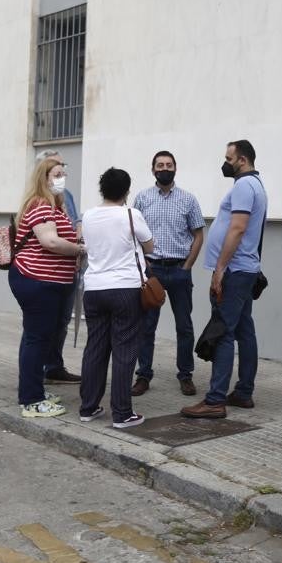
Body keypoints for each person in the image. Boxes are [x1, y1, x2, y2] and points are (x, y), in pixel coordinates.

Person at [180, 140, 268, 419]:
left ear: (241, 159)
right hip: (244, 269)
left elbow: (238, 228)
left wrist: (220, 269)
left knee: (223, 332)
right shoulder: (255, 184)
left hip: (235, 271)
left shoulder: (244, 186)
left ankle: (215, 400)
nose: (225, 162)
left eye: (228, 158)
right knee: (244, 330)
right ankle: (243, 392)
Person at [8, 156, 81, 418]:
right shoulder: (41, 204)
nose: (61, 178)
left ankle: (32, 389)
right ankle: (31, 400)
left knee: (35, 337)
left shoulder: (55, 205)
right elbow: (50, 242)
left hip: (48, 282)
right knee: (37, 339)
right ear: (44, 178)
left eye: (63, 173)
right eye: (56, 174)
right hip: (38, 281)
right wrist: (81, 249)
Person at [78, 168, 152, 428]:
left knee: (95, 348)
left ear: (102, 189)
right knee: (124, 350)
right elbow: (150, 245)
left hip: (94, 288)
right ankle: (122, 413)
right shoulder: (131, 214)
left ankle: (88, 407)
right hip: (125, 288)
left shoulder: (87, 216)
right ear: (127, 191)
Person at [131, 151, 204, 397]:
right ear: (153, 170)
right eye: (160, 165)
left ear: (176, 168)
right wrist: (143, 267)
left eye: (169, 165)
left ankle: (186, 375)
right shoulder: (142, 199)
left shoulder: (188, 200)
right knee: (146, 326)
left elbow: (198, 235)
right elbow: (135, 236)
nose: (165, 168)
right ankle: (143, 375)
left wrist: (187, 267)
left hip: (179, 270)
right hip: (152, 271)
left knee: (184, 326)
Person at [37, 150, 84, 384]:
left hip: (68, 271)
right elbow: (50, 240)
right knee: (40, 326)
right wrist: (77, 250)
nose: (62, 172)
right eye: (57, 168)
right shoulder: (37, 200)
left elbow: (76, 223)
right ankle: (35, 374)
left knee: (62, 321)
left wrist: (79, 244)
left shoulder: (67, 195)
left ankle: (54, 366)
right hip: (45, 275)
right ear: (43, 172)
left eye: (63, 167)